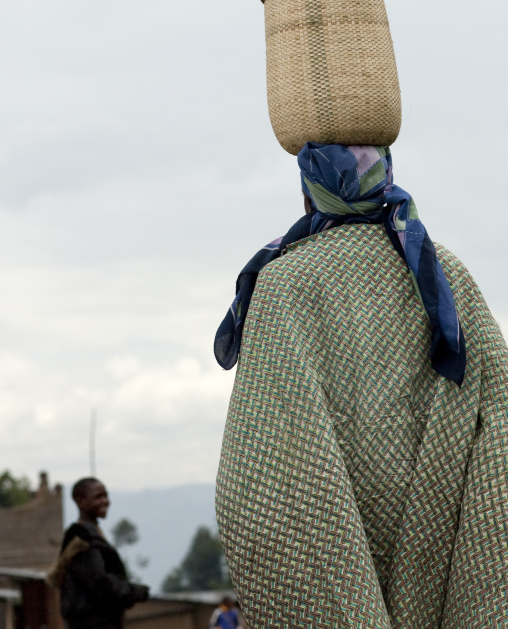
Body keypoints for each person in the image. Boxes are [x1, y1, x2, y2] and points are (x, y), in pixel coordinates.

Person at [214, 143, 508, 627]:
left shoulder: (283, 284)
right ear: (387, 177)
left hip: (334, 543)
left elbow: (265, 469)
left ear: (311, 194)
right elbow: (496, 421)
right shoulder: (442, 273)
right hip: (445, 537)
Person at [48, 477, 149, 629]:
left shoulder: (89, 534)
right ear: (80, 501)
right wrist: (135, 592)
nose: (105, 501)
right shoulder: (83, 541)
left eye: (106, 496)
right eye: (98, 497)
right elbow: (101, 583)